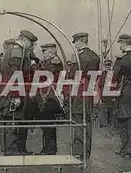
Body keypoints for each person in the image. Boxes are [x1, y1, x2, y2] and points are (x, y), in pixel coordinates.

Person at [0, 30, 38, 155]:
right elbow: (15, 75)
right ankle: (11, 152)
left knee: (16, 121)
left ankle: (18, 149)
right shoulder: (17, 52)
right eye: (30, 44)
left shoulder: (17, 51)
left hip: (14, 92)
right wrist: (15, 95)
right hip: (13, 93)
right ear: (25, 41)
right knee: (13, 122)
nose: (31, 47)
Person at [70, 32, 100, 160]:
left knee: (77, 120)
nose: (75, 45)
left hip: (79, 90)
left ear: (81, 41)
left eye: (76, 42)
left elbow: (73, 75)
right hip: (89, 90)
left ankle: (78, 151)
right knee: (87, 121)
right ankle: (86, 151)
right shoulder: (95, 56)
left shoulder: (78, 57)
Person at [37, 43, 64, 155]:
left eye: (44, 52)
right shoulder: (48, 62)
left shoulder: (55, 61)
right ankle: (48, 148)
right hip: (47, 97)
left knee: (48, 124)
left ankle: (49, 149)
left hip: (50, 98)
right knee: (47, 124)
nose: (43, 54)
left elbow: (45, 73)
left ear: (50, 52)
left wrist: (35, 66)